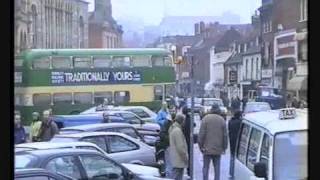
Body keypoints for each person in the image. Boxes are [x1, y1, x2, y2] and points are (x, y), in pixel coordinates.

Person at [198, 104, 228, 180]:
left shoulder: (205, 119)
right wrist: (224, 147)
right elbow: (225, 136)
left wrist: (200, 146)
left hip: (207, 148)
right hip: (218, 149)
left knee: (205, 167)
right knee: (217, 168)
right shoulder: (222, 120)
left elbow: (201, 134)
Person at [168, 114, 188, 180]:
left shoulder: (172, 128)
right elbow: (180, 147)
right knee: (177, 176)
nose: (184, 123)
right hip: (178, 159)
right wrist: (185, 158)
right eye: (184, 121)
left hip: (175, 158)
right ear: (181, 121)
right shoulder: (178, 131)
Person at [228, 110, 242, 178]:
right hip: (238, 140)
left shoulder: (230, 121)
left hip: (231, 140)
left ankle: (231, 172)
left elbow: (229, 130)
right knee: (237, 157)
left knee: (232, 156)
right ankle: (235, 171)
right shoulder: (240, 122)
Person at [182, 106, 196, 177]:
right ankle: (189, 170)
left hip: (183, 139)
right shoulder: (189, 118)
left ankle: (186, 169)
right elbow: (194, 124)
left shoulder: (183, 119)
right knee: (189, 155)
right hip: (189, 139)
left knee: (184, 155)